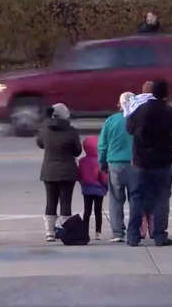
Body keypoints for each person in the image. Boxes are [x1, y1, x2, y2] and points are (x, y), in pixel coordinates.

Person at [126, 79, 172, 247]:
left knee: (136, 198)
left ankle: (133, 236)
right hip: (163, 161)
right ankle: (159, 235)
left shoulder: (139, 111)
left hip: (140, 162)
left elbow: (129, 129)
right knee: (162, 198)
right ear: (167, 94)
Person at [37, 103, 82, 242]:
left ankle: (49, 232)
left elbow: (40, 144)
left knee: (50, 201)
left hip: (49, 171)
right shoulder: (71, 131)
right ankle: (65, 230)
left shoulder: (45, 129)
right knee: (65, 202)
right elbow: (77, 151)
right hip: (68, 171)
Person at [98, 92, 135, 243]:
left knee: (115, 199)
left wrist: (102, 163)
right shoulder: (138, 120)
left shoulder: (111, 120)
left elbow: (103, 145)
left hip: (115, 164)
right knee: (135, 199)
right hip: (135, 165)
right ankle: (134, 230)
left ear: (119, 104)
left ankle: (118, 232)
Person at [78, 136, 108, 241]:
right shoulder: (100, 161)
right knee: (98, 211)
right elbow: (104, 177)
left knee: (87, 211)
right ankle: (98, 232)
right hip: (99, 190)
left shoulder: (82, 161)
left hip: (86, 189)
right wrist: (106, 186)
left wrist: (82, 183)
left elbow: (79, 175)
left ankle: (85, 231)